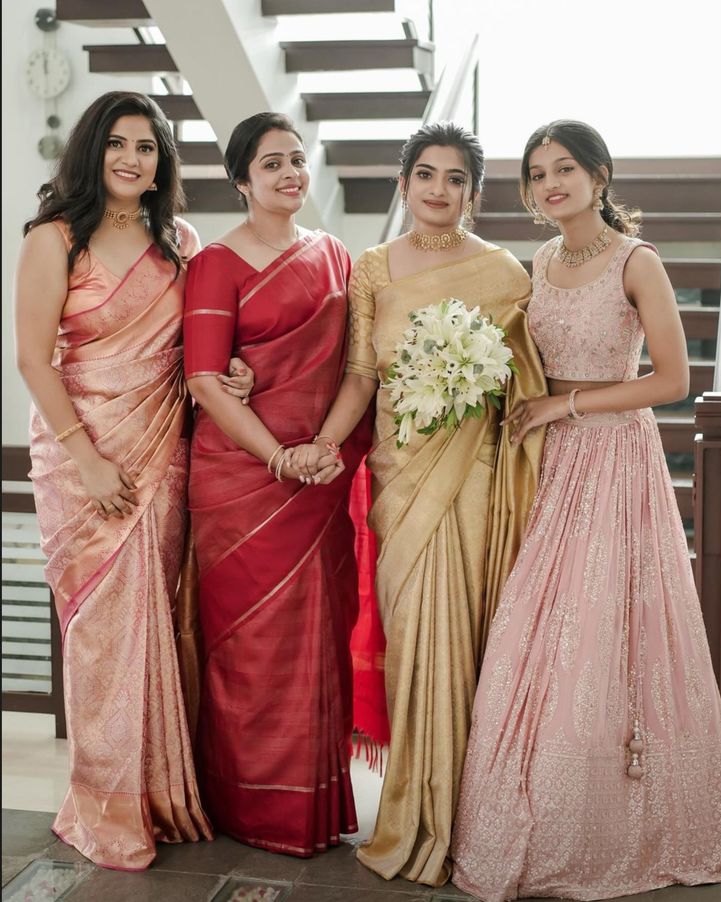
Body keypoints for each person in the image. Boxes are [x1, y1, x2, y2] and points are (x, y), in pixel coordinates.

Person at [450, 120, 721, 901]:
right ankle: (528, 810)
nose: (551, 183)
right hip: (550, 464)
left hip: (612, 459)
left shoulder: (636, 262)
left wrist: (566, 406)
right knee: (529, 630)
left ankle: (620, 820)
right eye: (538, 173)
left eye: (566, 167)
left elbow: (673, 380)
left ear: (600, 175)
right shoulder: (541, 260)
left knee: (602, 627)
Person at [287, 121, 547, 886]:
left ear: (473, 190)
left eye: (456, 178)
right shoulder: (371, 267)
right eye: (426, 175)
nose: (439, 190)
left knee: (464, 637)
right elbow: (362, 375)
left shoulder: (505, 274)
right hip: (401, 478)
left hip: (474, 475)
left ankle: (475, 818)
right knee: (408, 641)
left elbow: (527, 378)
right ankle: (412, 807)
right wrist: (330, 443)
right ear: (404, 185)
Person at [14, 91, 251, 871]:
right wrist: (86, 458)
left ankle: (157, 796)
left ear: (162, 163)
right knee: (103, 637)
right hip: (83, 460)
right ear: (93, 151)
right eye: (117, 144)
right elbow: (33, 361)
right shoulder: (54, 240)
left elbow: (200, 352)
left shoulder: (181, 241)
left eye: (146, 147)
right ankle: (106, 804)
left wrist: (233, 376)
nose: (130, 158)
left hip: (162, 452)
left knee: (164, 621)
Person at [183, 111, 372, 858]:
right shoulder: (217, 264)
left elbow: (359, 369)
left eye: (297, 160)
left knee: (316, 641)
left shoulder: (335, 256)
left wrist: (320, 450)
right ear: (241, 181)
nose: (291, 173)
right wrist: (278, 458)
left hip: (320, 476)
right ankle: (247, 806)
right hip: (241, 483)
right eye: (272, 164)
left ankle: (312, 811)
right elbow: (205, 378)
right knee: (248, 649)